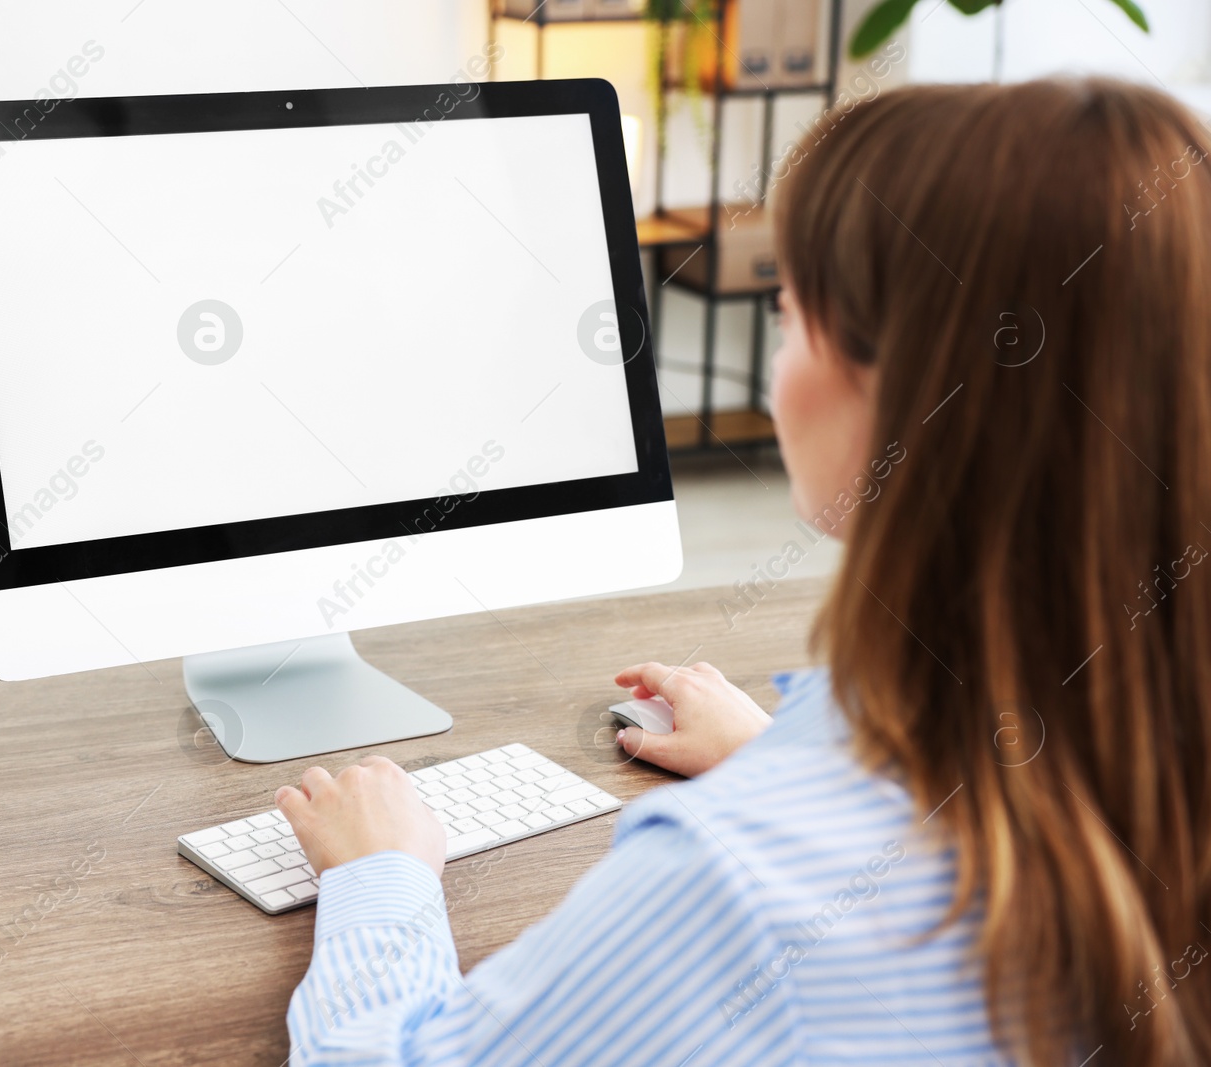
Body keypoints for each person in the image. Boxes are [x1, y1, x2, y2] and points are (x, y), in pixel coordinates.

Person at [274, 78, 1211, 1066]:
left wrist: (381, 873)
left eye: (784, 309)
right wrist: (791, 765)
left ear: (897, 391)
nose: (776, 357)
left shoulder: (735, 887)